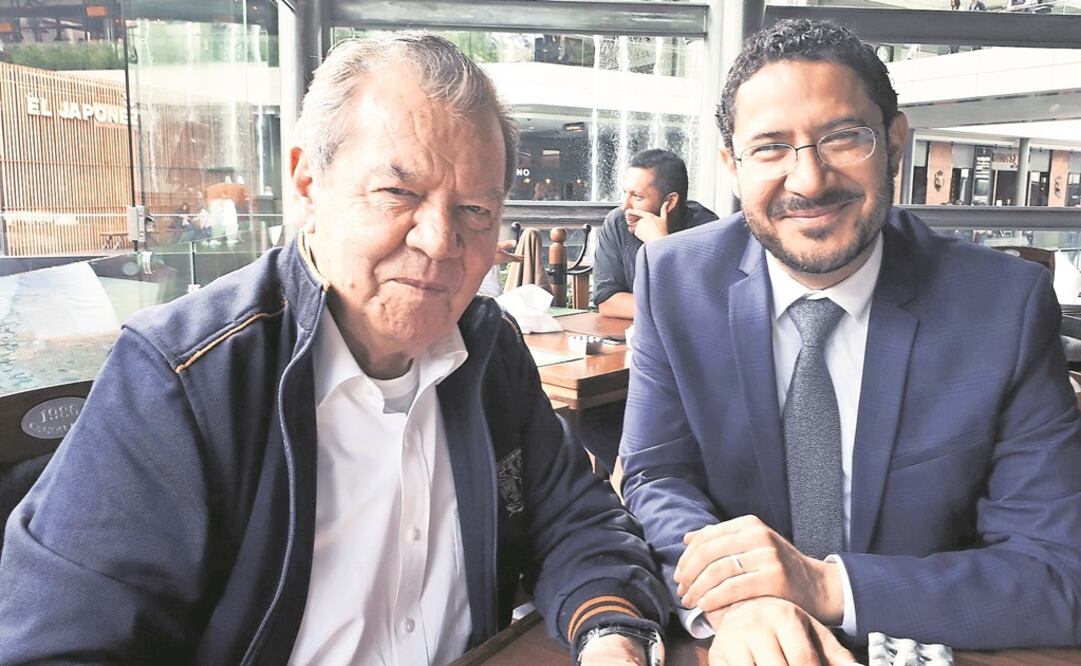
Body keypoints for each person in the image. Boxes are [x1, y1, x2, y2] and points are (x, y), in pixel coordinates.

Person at [0, 34, 669, 665]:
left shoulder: (489, 350)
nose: (440, 241)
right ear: (306, 183)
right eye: (398, 192)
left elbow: (574, 520)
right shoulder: (184, 376)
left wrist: (609, 631)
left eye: (474, 210)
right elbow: (62, 643)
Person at [619, 18, 1081, 665]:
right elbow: (657, 475)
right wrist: (744, 600)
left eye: (842, 138)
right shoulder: (673, 280)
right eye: (770, 148)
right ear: (732, 167)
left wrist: (824, 586)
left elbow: (1058, 570)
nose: (808, 180)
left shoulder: (1002, 307)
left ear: (894, 143)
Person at [593, 149, 717, 319]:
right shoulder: (618, 221)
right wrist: (669, 309)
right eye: (625, 193)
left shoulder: (707, 230)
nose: (625, 206)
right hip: (629, 332)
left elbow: (700, 306)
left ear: (670, 201)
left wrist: (659, 244)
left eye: (637, 196)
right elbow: (607, 301)